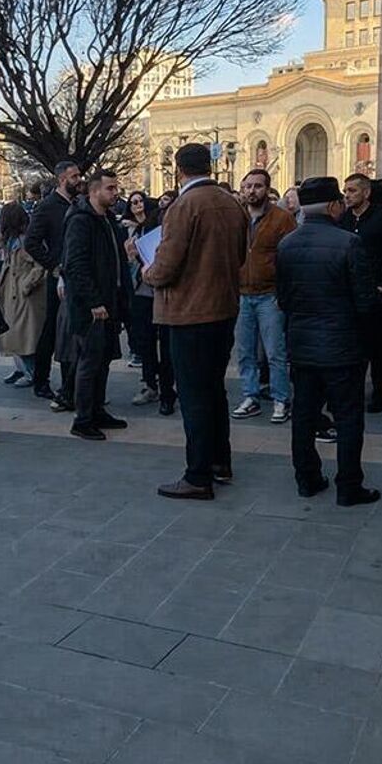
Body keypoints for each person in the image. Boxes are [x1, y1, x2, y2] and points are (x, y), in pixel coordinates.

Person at [144, 143, 245, 499]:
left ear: (178, 169)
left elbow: (166, 267)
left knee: (194, 396)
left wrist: (146, 270)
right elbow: (240, 254)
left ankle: (197, 474)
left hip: (190, 313)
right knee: (214, 389)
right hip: (224, 308)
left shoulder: (183, 206)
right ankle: (220, 461)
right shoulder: (232, 203)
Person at [276, 177, 379, 505]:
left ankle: (306, 477)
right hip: (342, 347)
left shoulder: (287, 244)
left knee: (304, 415)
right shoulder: (349, 242)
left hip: (303, 345)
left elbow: (283, 299)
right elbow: (365, 302)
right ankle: (349, 485)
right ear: (334, 206)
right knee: (348, 417)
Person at [61, 169, 132, 440]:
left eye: (116, 188)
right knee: (90, 362)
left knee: (103, 360)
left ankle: (97, 410)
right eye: (110, 188)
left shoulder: (108, 220)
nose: (115, 193)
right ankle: (82, 419)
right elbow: (75, 265)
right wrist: (93, 301)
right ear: (94, 191)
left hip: (110, 301)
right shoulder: (81, 220)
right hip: (92, 306)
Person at [230, 169, 296, 425]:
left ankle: (281, 399)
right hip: (242, 294)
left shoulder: (282, 219)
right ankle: (251, 396)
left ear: (267, 190)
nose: (251, 191)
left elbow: (290, 258)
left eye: (257, 186)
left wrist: (284, 292)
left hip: (270, 295)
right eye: (247, 186)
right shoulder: (237, 217)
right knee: (245, 352)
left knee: (275, 352)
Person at [22, 161, 83, 408]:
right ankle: (41, 380)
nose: (79, 179)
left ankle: (73, 384)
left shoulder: (79, 204)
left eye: (79, 175)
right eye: (74, 176)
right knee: (50, 330)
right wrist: (53, 266)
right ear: (61, 179)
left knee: (73, 329)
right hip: (57, 277)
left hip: (76, 275)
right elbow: (32, 242)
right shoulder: (47, 207)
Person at [340, 173, 382, 412]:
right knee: (353, 347)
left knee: (379, 349)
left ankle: (380, 394)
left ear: (366, 193)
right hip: (349, 294)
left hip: (375, 293)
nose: (347, 195)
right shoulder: (344, 220)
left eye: (352, 190)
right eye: (346, 191)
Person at [122, 191, 168, 408]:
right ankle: (151, 383)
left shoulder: (156, 227)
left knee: (165, 342)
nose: (137, 205)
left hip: (158, 290)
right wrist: (131, 256)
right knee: (145, 341)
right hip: (140, 291)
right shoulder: (131, 230)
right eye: (133, 202)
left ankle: (166, 387)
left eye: (140, 201)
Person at [0, 202, 46, 389]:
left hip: (24, 295)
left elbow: (40, 266)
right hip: (14, 293)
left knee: (24, 335)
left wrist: (26, 285)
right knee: (16, 333)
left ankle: (31, 372)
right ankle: (21, 367)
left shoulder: (24, 242)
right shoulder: (11, 241)